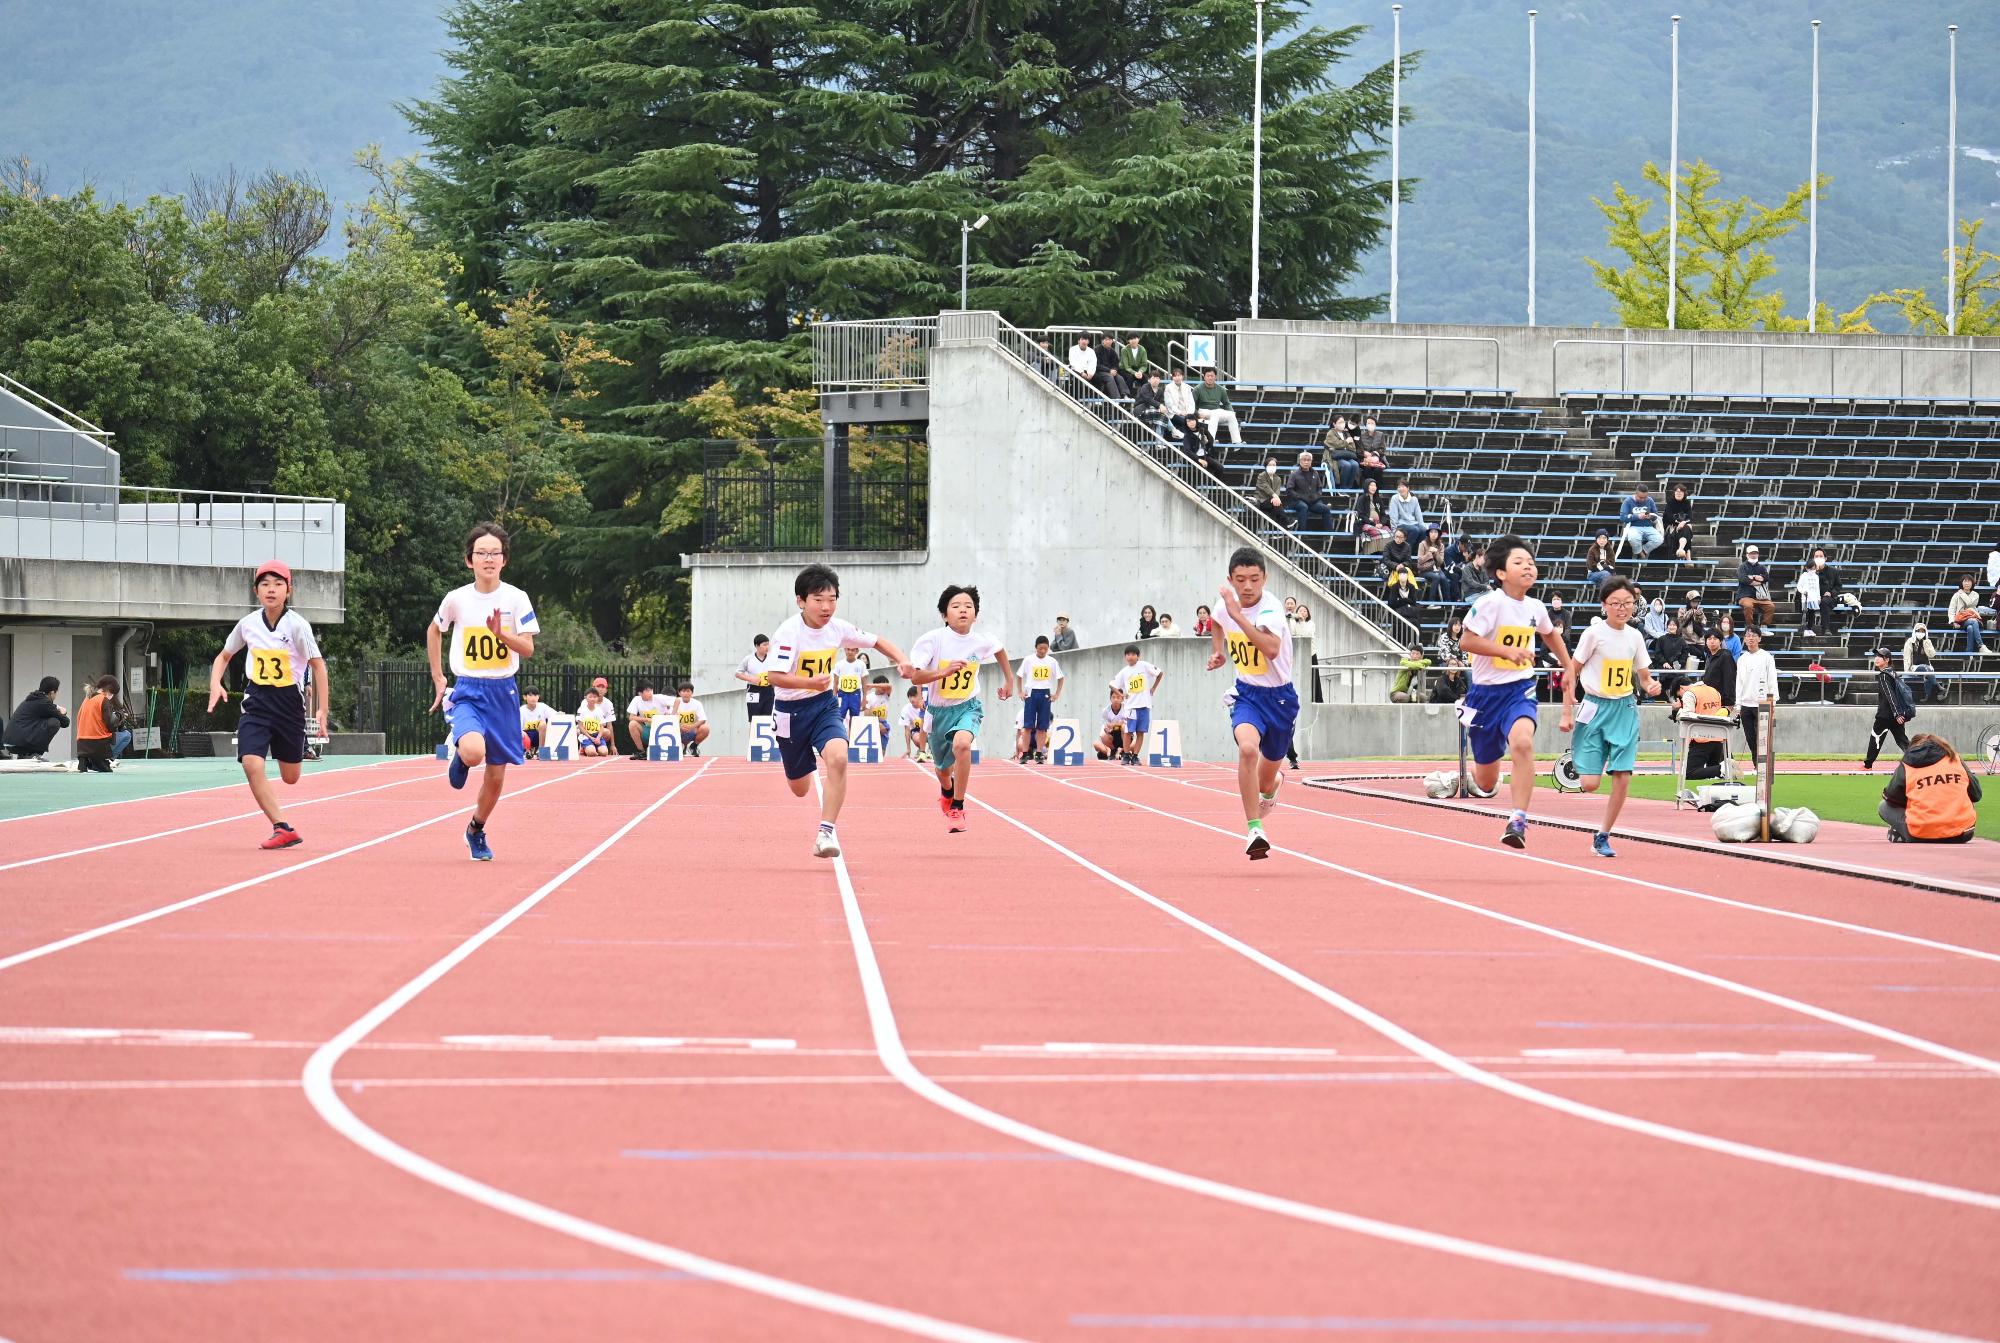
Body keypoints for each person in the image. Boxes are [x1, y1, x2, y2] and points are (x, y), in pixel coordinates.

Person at [766, 564, 910, 857]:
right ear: (801, 601)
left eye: (832, 599)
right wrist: (809, 682)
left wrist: (902, 659)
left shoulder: (838, 628)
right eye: (818, 600)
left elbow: (876, 640)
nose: (826, 607)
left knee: (840, 758)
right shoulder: (788, 633)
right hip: (790, 712)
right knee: (800, 788)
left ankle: (825, 833)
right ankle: (801, 762)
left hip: (824, 706)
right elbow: (774, 677)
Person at [427, 526, 537, 861]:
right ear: (469, 560)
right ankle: (463, 755)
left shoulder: (516, 598)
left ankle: (475, 829)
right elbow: (434, 630)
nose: (488, 559)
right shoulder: (457, 599)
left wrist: (502, 635)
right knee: (475, 752)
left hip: (503, 692)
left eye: (494, 553)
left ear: (504, 560)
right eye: (481, 553)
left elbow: (528, 649)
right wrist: (438, 677)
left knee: (496, 776)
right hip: (470, 689)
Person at [204, 560, 330, 850]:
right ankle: (281, 827)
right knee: (251, 763)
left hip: (289, 704)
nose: (271, 589)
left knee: (291, 777)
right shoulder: (248, 624)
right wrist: (215, 683)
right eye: (265, 584)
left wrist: (322, 709)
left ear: (288, 590)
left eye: (278, 584)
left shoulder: (297, 625)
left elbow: (318, 666)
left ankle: (285, 749)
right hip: (257, 701)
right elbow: (223, 656)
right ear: (256, 591)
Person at [1458, 535, 1572, 850]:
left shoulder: (1536, 607)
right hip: (1484, 696)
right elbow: (1466, 641)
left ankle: (1518, 820)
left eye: (1531, 563)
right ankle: (1480, 773)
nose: (1527, 567)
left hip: (1519, 690)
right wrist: (1506, 651)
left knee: (1522, 744)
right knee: (1485, 782)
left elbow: (1550, 635)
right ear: (1501, 572)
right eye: (1518, 562)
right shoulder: (1489, 603)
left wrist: (1568, 666)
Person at [1202, 546, 1299, 859]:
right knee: (1247, 749)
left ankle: (1272, 786)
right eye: (1240, 579)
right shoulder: (1225, 606)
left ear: (1264, 579)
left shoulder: (1271, 609)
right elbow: (1217, 621)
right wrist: (1218, 651)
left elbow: (1270, 648)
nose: (1247, 586)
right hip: (1247, 695)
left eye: (1254, 579)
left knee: (1265, 780)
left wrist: (1237, 615)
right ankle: (1254, 828)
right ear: (1231, 579)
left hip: (1280, 699)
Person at [1561, 576, 1663, 858]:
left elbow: (1644, 677)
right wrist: (1567, 710)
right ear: (1604, 605)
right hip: (1594, 707)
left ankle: (1603, 835)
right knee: (1589, 784)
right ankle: (1594, 753)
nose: (1622, 608)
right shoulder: (1593, 634)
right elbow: (1572, 671)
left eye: (1628, 603)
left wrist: (1651, 686)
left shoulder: (1635, 636)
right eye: (1616, 603)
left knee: (1623, 776)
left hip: (1624, 709)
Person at [903, 583, 1015, 831]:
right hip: (938, 712)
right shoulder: (932, 640)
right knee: (943, 771)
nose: (963, 610)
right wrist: (944, 672)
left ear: (976, 615)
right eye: (955, 606)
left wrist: (1009, 680)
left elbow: (999, 650)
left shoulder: (981, 641)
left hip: (967, 706)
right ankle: (947, 790)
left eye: (968, 606)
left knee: (962, 745)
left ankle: (958, 806)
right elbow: (916, 677)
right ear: (944, 615)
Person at [1879, 734, 1982, 843]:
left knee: (1884, 806)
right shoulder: (1955, 758)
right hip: (1962, 834)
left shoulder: (1907, 764)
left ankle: (1901, 831)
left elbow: (1891, 798)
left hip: (1920, 834)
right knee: (1967, 795)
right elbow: (1976, 794)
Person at [1108, 645, 1165, 766]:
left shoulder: (1144, 666)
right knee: (1128, 732)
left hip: (1144, 705)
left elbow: (1160, 673)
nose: (1130, 657)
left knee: (1140, 732)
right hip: (1131, 707)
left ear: (1138, 656)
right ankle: (1126, 755)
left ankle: (1135, 756)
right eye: (1128, 654)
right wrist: (1121, 695)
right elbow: (1111, 684)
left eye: (1133, 654)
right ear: (1125, 657)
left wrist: (1153, 688)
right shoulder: (1124, 672)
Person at [1863, 648, 1916, 770]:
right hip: (1896, 714)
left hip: (1886, 715)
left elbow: (1889, 695)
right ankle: (1917, 761)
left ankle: (1867, 765)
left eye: (1879, 656)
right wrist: (1898, 714)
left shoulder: (1884, 676)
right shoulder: (1892, 673)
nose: (1876, 658)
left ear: (1886, 660)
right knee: (1902, 740)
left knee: (1876, 737)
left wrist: (1896, 713)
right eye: (1876, 656)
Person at [1732, 626, 1778, 768]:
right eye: (1748, 635)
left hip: (1762, 704)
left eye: (1753, 635)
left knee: (1762, 738)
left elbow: (1772, 680)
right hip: (1746, 704)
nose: (1750, 638)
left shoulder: (1767, 657)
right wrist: (1738, 704)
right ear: (1744, 639)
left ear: (1759, 638)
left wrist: (1773, 702)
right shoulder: (1742, 659)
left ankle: (1763, 766)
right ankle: (1756, 763)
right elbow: (1739, 683)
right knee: (1750, 737)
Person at [1017, 634, 1065, 764]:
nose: (1042, 651)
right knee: (1028, 726)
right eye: (1040, 649)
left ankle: (1039, 753)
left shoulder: (1052, 661)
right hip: (1031, 694)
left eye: (1045, 649)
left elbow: (1061, 678)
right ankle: (1025, 753)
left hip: (1045, 694)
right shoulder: (1028, 660)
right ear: (1035, 648)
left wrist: (1057, 694)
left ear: (1048, 648)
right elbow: (1019, 675)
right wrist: (1020, 691)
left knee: (1042, 726)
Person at [2, 676, 69, 761]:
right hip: (17, 744)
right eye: (56, 692)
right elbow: (65, 722)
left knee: (46, 721)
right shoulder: (44, 702)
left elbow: (49, 707)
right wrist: (63, 712)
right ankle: (33, 755)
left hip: (11, 742)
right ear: (52, 692)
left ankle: (26, 755)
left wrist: (57, 707)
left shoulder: (34, 698)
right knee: (54, 722)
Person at [73, 676, 128, 774]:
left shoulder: (87, 699)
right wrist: (120, 716)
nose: (112, 696)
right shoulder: (103, 700)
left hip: (81, 745)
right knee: (126, 735)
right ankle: (107, 758)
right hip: (99, 744)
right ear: (109, 691)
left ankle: (88, 760)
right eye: (112, 694)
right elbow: (111, 725)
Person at [1284, 451, 1334, 533]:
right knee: (1303, 507)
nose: (1306, 462)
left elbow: (1320, 487)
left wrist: (1317, 496)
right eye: (1304, 460)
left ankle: (1329, 534)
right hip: (1297, 501)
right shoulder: (1294, 474)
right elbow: (1289, 490)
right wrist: (1300, 497)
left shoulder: (1315, 473)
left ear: (1311, 461)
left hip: (1313, 501)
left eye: (1308, 460)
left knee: (1326, 509)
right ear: (1300, 461)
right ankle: (1302, 533)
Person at [1947, 573, 1997, 656]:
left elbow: (1970, 603)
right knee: (1972, 623)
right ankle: (1981, 646)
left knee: (1971, 627)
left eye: (1969, 581)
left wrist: (1962, 593)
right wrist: (1953, 622)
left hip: (1974, 619)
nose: (1966, 583)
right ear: (1962, 583)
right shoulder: (1956, 595)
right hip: (1961, 621)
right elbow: (1951, 610)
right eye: (1965, 581)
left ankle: (1970, 650)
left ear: (1972, 583)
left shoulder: (1975, 595)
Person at [1193, 369, 1242, 445]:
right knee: (1215, 415)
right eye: (1208, 376)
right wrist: (1197, 414)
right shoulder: (1197, 389)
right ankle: (1210, 441)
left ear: (1215, 377)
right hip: (1203, 410)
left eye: (1212, 376)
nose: (1210, 378)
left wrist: (1231, 411)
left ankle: (1237, 442)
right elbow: (1191, 404)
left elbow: (1227, 403)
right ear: (1204, 377)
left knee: (1231, 415)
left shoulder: (1221, 389)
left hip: (1217, 410)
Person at [1903, 623, 1945, 704]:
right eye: (1919, 631)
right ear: (1915, 631)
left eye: (1923, 631)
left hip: (1927, 666)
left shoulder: (1927, 641)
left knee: (1927, 674)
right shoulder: (1910, 642)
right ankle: (1938, 687)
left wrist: (1926, 644)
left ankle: (1927, 697)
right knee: (1925, 668)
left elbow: (1932, 655)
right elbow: (1906, 656)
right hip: (1914, 666)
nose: (1921, 633)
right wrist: (1906, 670)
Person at [1736, 545, 1776, 628]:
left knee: (1771, 606)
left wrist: (1752, 577)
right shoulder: (1742, 567)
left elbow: (1766, 578)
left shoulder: (1762, 567)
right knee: (1748, 606)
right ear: (1747, 554)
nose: (1754, 555)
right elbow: (1743, 579)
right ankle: (1750, 626)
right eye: (1751, 553)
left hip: (1760, 597)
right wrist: (1757, 579)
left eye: (1755, 553)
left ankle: (1764, 626)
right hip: (1745, 596)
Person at [625, 682, 667, 760]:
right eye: (647, 691)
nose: (650, 693)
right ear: (640, 693)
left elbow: (677, 700)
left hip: (663, 732)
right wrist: (647, 719)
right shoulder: (636, 700)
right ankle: (641, 752)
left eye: (651, 690)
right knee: (632, 724)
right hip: (649, 731)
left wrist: (671, 712)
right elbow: (631, 717)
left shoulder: (660, 698)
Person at [737, 635, 775, 720]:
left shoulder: (772, 658)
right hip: (753, 690)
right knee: (754, 718)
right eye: (764, 645)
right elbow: (738, 673)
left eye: (768, 644)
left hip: (769, 690)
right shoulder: (748, 659)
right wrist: (751, 679)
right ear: (757, 646)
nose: (767, 647)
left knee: (768, 718)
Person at [1619, 486, 1663, 559]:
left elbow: (1656, 515)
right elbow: (1623, 517)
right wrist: (1637, 516)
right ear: (1636, 494)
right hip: (1633, 526)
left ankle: (1642, 551)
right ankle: (1639, 554)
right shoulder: (1628, 501)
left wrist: (1650, 516)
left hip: (1648, 526)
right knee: (1633, 538)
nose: (1643, 499)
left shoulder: (1650, 500)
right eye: (1640, 497)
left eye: (1645, 497)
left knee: (1659, 539)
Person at [1652, 619, 1690, 700]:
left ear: (1677, 627)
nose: (1672, 627)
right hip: (1664, 668)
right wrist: (1664, 662)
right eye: (1670, 625)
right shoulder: (1661, 639)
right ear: (1667, 626)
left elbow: (1685, 653)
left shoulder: (1681, 640)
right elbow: (1658, 653)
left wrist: (1680, 663)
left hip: (1677, 668)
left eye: (1674, 625)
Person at [670, 682, 710, 757]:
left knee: (705, 728)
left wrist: (692, 727)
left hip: (692, 730)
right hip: (678, 730)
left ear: (692, 693)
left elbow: (703, 719)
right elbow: (670, 718)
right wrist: (679, 727)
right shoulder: (675, 702)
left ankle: (693, 746)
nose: (686, 693)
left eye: (688, 691)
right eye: (683, 691)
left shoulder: (697, 703)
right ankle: (681, 746)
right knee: (668, 728)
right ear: (679, 693)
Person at [574, 686, 615, 757]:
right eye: (590, 697)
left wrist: (598, 738)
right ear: (585, 697)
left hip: (597, 735)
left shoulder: (599, 711)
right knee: (591, 753)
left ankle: (594, 748)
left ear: (597, 698)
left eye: (595, 697)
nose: (592, 699)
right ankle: (585, 748)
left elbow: (602, 726)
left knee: (604, 752)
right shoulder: (581, 710)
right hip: (586, 736)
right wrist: (590, 737)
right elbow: (580, 726)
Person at [1388, 479, 1429, 549]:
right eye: (1399, 487)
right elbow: (1393, 516)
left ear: (1408, 488)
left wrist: (1422, 526)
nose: (1401, 489)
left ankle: (1416, 552)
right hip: (1400, 524)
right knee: (1414, 530)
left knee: (1423, 530)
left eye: (1403, 487)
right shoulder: (1394, 498)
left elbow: (1418, 515)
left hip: (1413, 523)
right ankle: (1405, 551)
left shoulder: (1414, 499)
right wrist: (1394, 530)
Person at [1321, 415, 1359, 489]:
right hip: (1335, 458)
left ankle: (1349, 487)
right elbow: (1336, 444)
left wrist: (1342, 445)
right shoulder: (1331, 433)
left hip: (1346, 456)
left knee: (1355, 464)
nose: (1342, 424)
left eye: (1343, 422)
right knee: (1346, 465)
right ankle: (1342, 487)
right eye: (1339, 422)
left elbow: (1353, 447)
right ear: (1334, 424)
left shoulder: (1346, 433)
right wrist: (1346, 442)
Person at [1416, 525, 1452, 602]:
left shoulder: (1441, 545)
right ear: (1428, 533)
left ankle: (1447, 602)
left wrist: (1436, 553)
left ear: (1438, 534)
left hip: (1437, 569)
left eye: (1435, 532)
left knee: (1444, 578)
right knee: (1436, 577)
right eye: (1431, 532)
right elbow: (1420, 560)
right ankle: (1431, 602)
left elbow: (1441, 562)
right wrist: (1429, 553)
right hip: (1424, 569)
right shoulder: (1422, 544)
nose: (1433, 534)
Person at [1663, 484, 1697, 562]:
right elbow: (1669, 517)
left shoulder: (1687, 503)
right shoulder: (1670, 503)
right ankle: (1688, 557)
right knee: (1687, 529)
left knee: (1686, 528)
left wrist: (1683, 522)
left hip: (1683, 526)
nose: (1679, 493)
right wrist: (1679, 523)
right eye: (1677, 492)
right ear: (1674, 493)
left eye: (1681, 492)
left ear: (1684, 493)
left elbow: (1690, 517)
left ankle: (1681, 549)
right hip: (1671, 526)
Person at [1250, 455, 1289, 525]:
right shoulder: (1262, 476)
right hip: (1262, 500)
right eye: (1270, 465)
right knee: (1277, 505)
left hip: (1272, 501)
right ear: (1266, 466)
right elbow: (1266, 487)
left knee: (1276, 506)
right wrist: (1275, 497)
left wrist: (1276, 498)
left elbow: (1277, 490)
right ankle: (1286, 524)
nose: (1272, 466)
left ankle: (1280, 526)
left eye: (1274, 465)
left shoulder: (1278, 478)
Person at [832, 649, 869, 721]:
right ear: (845, 650)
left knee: (854, 719)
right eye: (848, 649)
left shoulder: (861, 664)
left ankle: (851, 729)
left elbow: (864, 683)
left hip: (855, 694)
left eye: (852, 650)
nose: (850, 652)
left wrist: (864, 698)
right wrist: (834, 697)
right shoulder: (839, 664)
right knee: (839, 717)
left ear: (857, 651)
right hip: (842, 694)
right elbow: (835, 683)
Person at [1355, 415, 1390, 489]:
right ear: (1365, 425)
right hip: (1366, 460)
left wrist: (1374, 454)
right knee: (1367, 469)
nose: (1370, 425)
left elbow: (1382, 449)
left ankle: (1378, 488)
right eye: (1368, 423)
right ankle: (1367, 488)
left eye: (1372, 423)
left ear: (1375, 424)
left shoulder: (1380, 435)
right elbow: (1359, 449)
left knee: (1378, 470)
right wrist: (1364, 454)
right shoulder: (1361, 436)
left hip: (1378, 460)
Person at [1162, 368, 1197, 441]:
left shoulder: (1187, 387)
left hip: (1187, 413)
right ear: (1172, 377)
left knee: (1194, 421)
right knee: (1187, 421)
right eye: (1175, 376)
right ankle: (1193, 438)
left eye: (1179, 375)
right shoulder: (1168, 388)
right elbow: (1169, 405)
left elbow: (1191, 402)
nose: (1177, 377)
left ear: (1182, 376)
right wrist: (1180, 412)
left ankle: (1197, 438)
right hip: (1174, 413)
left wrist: (1189, 413)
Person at [1094, 687, 1128, 761]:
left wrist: (1113, 725)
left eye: (1118, 697)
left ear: (1122, 699)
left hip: (1125, 737)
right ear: (1110, 698)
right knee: (1098, 741)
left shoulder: (1127, 709)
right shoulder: (1106, 711)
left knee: (1125, 729)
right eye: (1113, 697)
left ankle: (1125, 752)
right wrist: (1107, 729)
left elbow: (1126, 725)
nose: (1115, 699)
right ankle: (1113, 751)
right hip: (1113, 737)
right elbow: (1105, 727)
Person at [1353, 478, 1389, 548]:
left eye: (1375, 486)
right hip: (1366, 523)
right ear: (1366, 486)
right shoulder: (1362, 498)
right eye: (1371, 485)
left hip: (1379, 524)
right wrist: (1374, 524)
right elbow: (1361, 515)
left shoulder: (1378, 499)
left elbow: (1383, 514)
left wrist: (1381, 523)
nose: (1373, 487)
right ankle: (1373, 551)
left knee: (1388, 531)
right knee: (1375, 531)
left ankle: (1381, 552)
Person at [519, 687, 551, 760]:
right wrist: (523, 735)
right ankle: (527, 750)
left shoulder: (543, 706)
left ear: (538, 697)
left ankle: (541, 751)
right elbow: (518, 727)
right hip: (526, 736)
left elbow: (554, 715)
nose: (533, 698)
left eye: (535, 695)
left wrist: (559, 714)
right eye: (530, 695)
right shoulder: (521, 710)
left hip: (539, 736)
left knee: (543, 724)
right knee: (520, 733)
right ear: (524, 697)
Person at [1133, 372, 1168, 440]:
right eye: (1153, 378)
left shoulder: (1160, 390)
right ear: (1149, 380)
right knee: (1161, 416)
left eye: (1157, 378)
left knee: (1161, 416)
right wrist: (1159, 405)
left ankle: (1158, 441)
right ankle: (1172, 430)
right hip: (1141, 411)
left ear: (1159, 380)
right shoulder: (1145, 387)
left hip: (1153, 412)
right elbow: (1148, 399)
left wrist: (1161, 407)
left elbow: (1162, 401)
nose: (1155, 380)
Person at [1095, 335, 1129, 399]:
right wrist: (1109, 370)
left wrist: (1114, 370)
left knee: (1120, 378)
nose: (1108, 341)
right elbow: (1097, 365)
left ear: (1112, 341)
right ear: (1102, 341)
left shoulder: (1112, 351)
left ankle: (1125, 395)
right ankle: (1116, 398)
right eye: (1106, 339)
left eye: (1110, 340)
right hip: (1100, 372)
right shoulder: (1097, 350)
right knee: (1110, 377)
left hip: (1111, 371)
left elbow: (1116, 364)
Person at [898, 686, 927, 759]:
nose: (912, 699)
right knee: (917, 738)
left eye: (914, 696)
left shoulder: (926, 706)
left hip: (929, 730)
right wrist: (908, 748)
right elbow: (907, 730)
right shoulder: (906, 709)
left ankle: (931, 750)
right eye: (910, 697)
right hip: (916, 731)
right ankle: (922, 750)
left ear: (920, 696)